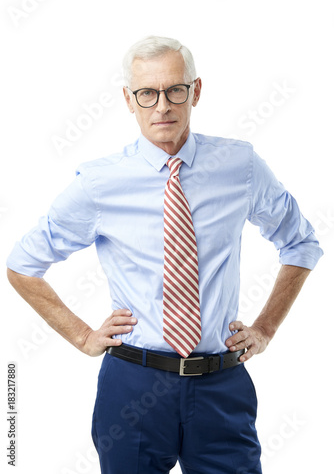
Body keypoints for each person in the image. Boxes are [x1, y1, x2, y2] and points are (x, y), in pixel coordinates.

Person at [7, 35, 323, 474]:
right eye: (147, 93)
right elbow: (23, 265)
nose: (162, 107)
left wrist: (266, 328)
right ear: (128, 99)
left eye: (175, 90)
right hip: (132, 385)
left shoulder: (241, 166)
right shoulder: (100, 183)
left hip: (221, 384)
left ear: (195, 91)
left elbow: (302, 243)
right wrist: (81, 335)